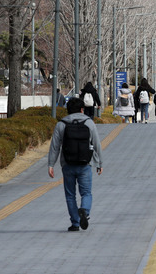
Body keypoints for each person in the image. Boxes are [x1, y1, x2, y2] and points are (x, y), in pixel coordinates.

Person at [48, 97, 103, 231]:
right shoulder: (89, 123)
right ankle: (84, 210)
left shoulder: (61, 124)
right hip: (85, 164)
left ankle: (75, 223)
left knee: (70, 195)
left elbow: (55, 147)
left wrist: (51, 164)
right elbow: (96, 144)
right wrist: (99, 163)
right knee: (86, 193)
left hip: (67, 164)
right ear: (82, 109)